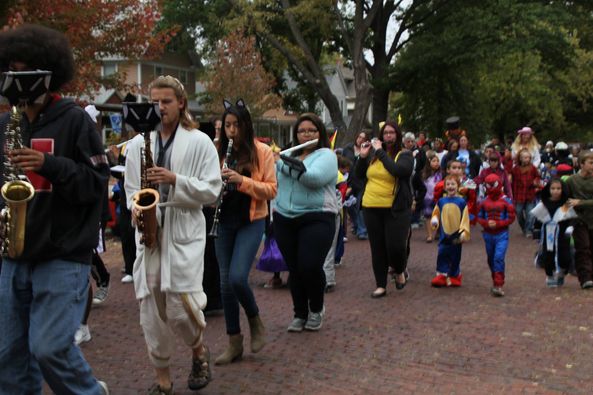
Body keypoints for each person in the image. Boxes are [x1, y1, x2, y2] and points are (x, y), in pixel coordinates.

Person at [0, 24, 110, 394]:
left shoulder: (75, 120)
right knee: (8, 356)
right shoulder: (6, 124)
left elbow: (96, 184)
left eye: (25, 70)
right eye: (11, 69)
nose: (17, 79)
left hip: (62, 255)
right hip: (13, 255)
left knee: (50, 349)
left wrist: (48, 164)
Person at [124, 75, 222, 394]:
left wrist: (175, 179)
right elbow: (130, 190)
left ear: (181, 103)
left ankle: (198, 350)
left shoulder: (199, 141)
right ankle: (163, 380)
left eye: (166, 101)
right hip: (149, 235)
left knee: (181, 306)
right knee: (151, 308)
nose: (160, 107)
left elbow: (211, 190)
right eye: (154, 102)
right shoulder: (138, 143)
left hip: (183, 230)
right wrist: (137, 209)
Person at [212, 99, 277, 365]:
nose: (231, 131)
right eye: (227, 125)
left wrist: (242, 181)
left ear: (245, 125)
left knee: (238, 277)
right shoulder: (218, 151)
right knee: (225, 284)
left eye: (236, 125)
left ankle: (255, 320)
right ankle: (234, 341)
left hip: (251, 221)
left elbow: (271, 189)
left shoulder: (262, 152)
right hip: (224, 221)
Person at [274, 113, 338, 332]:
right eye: (302, 131)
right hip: (285, 218)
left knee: (309, 265)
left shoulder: (326, 155)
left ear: (319, 133)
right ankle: (299, 313)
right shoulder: (289, 154)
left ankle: (316, 308)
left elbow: (313, 179)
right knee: (294, 268)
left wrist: (281, 164)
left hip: (317, 217)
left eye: (311, 130)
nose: (306, 134)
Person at [356, 121, 414, 298]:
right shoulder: (373, 157)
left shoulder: (405, 155)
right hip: (371, 206)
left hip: (395, 209)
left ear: (397, 135)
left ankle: (399, 270)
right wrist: (362, 157)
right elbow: (358, 176)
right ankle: (380, 284)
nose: (388, 136)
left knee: (396, 247)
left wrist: (380, 152)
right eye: (385, 133)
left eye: (392, 133)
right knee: (378, 247)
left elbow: (398, 171)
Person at [531, 179, 577, 287]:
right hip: (548, 234)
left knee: (565, 256)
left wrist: (570, 227)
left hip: (562, 235)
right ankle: (550, 275)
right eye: (553, 188)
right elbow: (538, 220)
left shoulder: (565, 205)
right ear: (548, 189)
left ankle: (562, 273)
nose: (555, 191)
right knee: (548, 255)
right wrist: (536, 232)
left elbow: (572, 218)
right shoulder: (544, 204)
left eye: (558, 189)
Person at [476, 174, 516, 297]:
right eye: (489, 184)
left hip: (501, 234)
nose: (491, 187)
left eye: (493, 184)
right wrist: (486, 223)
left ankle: (498, 284)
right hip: (488, 234)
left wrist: (498, 224)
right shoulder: (483, 202)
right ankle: (496, 280)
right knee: (491, 258)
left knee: (498, 257)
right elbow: (479, 217)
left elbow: (511, 217)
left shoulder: (506, 201)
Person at [430, 175, 471, 287]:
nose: (450, 186)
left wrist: (464, 231)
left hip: (456, 234)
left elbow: (465, 218)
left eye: (453, 184)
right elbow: (436, 213)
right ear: (444, 187)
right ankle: (442, 274)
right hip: (444, 234)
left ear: (458, 186)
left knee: (455, 255)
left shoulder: (461, 202)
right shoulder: (441, 201)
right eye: (448, 184)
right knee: (442, 252)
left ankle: (454, 275)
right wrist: (435, 220)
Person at [565, 151, 593, 289]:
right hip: (579, 220)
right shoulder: (572, 181)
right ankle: (585, 278)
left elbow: (578, 201)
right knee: (583, 248)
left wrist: (580, 202)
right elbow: (566, 200)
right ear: (581, 164)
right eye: (591, 163)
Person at [342, 130, 370, 239]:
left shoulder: (368, 150)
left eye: (363, 138)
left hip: (362, 182)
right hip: (349, 181)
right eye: (359, 137)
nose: (360, 140)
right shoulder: (348, 149)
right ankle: (357, 225)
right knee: (349, 206)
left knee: (360, 205)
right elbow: (343, 163)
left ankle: (362, 231)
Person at [511, 149, 541, 238]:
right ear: (520, 158)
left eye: (528, 157)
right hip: (519, 194)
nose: (527, 159)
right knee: (518, 212)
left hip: (530, 194)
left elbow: (538, 177)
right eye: (525, 157)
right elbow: (511, 179)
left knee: (530, 213)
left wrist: (536, 182)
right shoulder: (515, 169)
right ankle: (524, 227)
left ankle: (528, 230)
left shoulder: (533, 168)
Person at [416, 150, 443, 242]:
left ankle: (438, 233)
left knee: (439, 216)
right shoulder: (424, 174)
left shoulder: (441, 174)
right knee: (428, 216)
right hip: (427, 198)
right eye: (434, 161)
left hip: (439, 198)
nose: (436, 163)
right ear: (429, 162)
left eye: (437, 161)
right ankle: (429, 235)